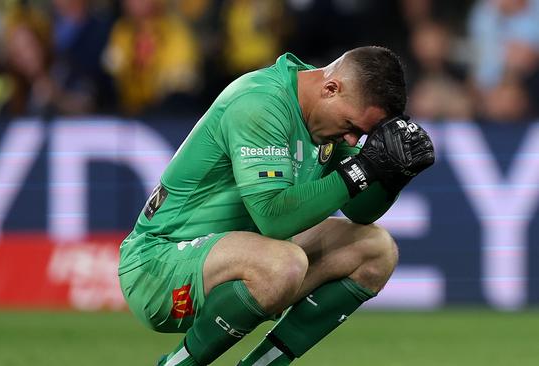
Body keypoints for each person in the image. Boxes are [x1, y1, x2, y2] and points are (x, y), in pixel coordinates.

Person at [118, 46, 435, 366]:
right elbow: (273, 218)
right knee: (283, 264)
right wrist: (364, 169)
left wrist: (393, 175)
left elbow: (360, 211)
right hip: (160, 265)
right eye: (352, 126)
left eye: (362, 134)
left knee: (376, 249)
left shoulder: (325, 115)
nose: (353, 141)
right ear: (330, 88)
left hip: (239, 256)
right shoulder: (261, 103)